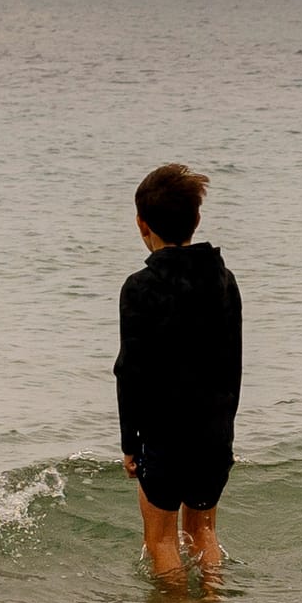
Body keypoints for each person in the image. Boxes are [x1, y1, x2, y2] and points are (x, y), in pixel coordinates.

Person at [115, 163, 243, 581]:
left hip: (164, 434)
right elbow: (233, 363)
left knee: (162, 541)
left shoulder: (140, 287)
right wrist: (225, 427)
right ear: (197, 219)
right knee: (203, 531)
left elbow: (129, 371)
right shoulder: (225, 280)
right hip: (214, 431)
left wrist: (129, 443)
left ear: (142, 224)